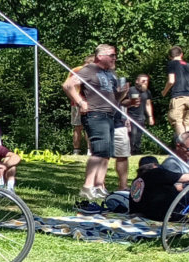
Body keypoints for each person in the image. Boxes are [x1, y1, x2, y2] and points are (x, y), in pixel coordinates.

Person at [64, 44, 129, 200]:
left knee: (106, 153)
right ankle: (87, 187)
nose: (114, 58)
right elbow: (67, 85)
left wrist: (123, 92)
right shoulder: (89, 70)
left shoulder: (111, 73)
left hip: (110, 115)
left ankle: (99, 186)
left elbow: (116, 98)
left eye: (115, 55)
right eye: (112, 55)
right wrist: (81, 102)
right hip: (95, 114)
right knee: (99, 151)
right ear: (100, 56)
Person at [130, 156, 189, 222]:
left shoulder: (136, 180)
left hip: (143, 214)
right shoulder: (156, 172)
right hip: (162, 215)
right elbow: (187, 178)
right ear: (155, 165)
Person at [165, 46, 189, 136]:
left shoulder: (172, 64)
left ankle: (183, 143)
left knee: (178, 121)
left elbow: (171, 81)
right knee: (188, 124)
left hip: (178, 96)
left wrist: (164, 91)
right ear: (182, 54)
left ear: (170, 56)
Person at [70, 55, 96, 156]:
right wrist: (78, 101)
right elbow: (70, 86)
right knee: (78, 127)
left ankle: (89, 150)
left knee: (89, 126)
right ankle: (76, 150)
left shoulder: (93, 71)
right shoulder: (76, 70)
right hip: (77, 102)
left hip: (90, 102)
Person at [126, 74, 154, 155]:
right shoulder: (131, 90)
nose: (145, 82)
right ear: (137, 81)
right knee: (133, 134)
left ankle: (137, 152)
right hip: (131, 116)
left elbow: (148, 105)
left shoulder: (147, 92)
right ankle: (130, 152)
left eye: (147, 81)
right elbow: (124, 103)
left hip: (141, 117)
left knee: (139, 136)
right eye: (143, 81)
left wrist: (150, 117)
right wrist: (126, 117)